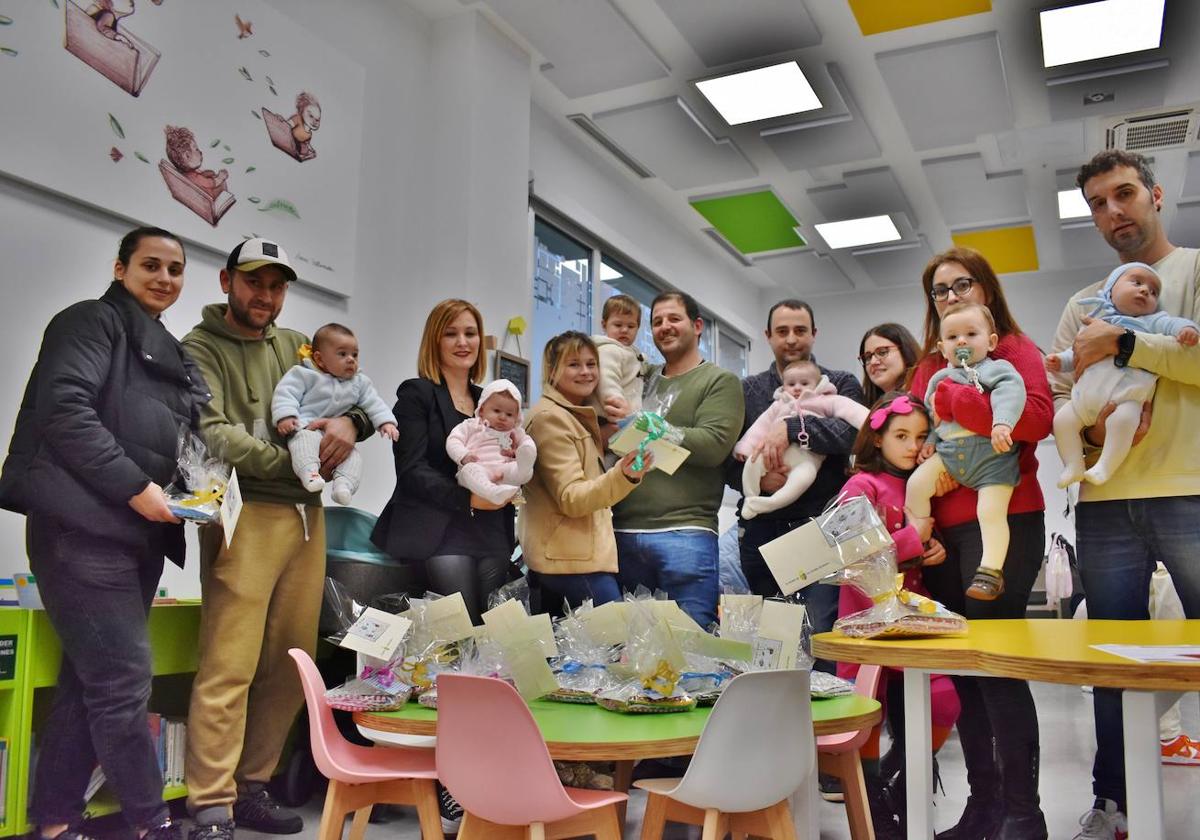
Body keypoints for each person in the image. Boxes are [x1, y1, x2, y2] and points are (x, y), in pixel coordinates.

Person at [0, 227, 206, 840]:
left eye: (175, 269)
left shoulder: (171, 352)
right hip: (80, 531)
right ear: (120, 269)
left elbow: (191, 441)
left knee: (88, 684)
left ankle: (57, 821)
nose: (164, 278)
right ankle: (150, 823)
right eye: (150, 265)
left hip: (136, 537)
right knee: (122, 682)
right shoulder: (89, 321)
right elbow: (65, 411)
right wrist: (136, 488)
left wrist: (200, 496)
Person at [183, 238, 371, 840]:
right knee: (230, 660)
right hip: (247, 517)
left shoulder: (297, 346)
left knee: (294, 658)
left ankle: (252, 787)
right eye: (254, 282)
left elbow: (352, 388)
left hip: (307, 517)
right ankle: (211, 802)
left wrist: (350, 423)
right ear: (226, 282)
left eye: (277, 285)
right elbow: (212, 433)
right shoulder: (198, 347)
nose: (265, 296)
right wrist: (292, 460)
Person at [1048, 149, 1200, 840]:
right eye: (1098, 205)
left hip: (1191, 493)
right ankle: (1115, 805)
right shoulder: (1081, 304)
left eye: (1125, 194)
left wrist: (1127, 349)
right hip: (1105, 508)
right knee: (1108, 662)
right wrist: (1091, 426)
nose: (1114, 212)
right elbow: (1060, 396)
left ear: (1157, 195)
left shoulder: (1194, 272)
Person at [910, 246, 1053, 840]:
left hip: (1005, 521)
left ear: (985, 290)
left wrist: (955, 402)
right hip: (946, 529)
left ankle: (1025, 814)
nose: (950, 296)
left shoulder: (1013, 350)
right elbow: (920, 438)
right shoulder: (929, 363)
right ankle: (984, 806)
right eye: (939, 291)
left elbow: (1035, 420)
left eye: (961, 284)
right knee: (965, 673)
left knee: (996, 667)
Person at [834, 392, 959, 840]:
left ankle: (906, 780)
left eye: (921, 437)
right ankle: (870, 796)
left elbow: (921, 542)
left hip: (913, 623)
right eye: (901, 435)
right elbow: (848, 555)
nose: (912, 446)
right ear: (878, 437)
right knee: (868, 712)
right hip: (864, 623)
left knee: (945, 700)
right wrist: (912, 538)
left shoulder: (921, 483)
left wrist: (933, 549)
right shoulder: (861, 486)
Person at [371, 299, 515, 626]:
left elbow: (508, 456)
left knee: (494, 631)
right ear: (435, 341)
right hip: (438, 529)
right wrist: (468, 498)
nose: (463, 342)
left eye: (470, 333)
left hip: (491, 528)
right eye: (451, 334)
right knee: (462, 630)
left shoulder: (490, 400)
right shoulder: (416, 394)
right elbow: (411, 470)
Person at [732, 299, 863, 643]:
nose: (791, 339)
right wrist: (759, 480)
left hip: (817, 527)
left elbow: (854, 435)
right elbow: (727, 458)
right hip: (760, 530)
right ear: (768, 336)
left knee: (820, 634)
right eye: (782, 331)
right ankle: (780, 698)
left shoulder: (838, 383)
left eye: (800, 330)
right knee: (774, 640)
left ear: (814, 334)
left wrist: (791, 428)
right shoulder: (749, 391)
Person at [612, 291, 743, 629]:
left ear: (697, 326)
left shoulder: (719, 381)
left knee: (690, 649)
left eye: (674, 319)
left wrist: (643, 424)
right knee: (629, 652)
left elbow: (712, 445)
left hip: (685, 532)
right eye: (657, 322)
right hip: (620, 530)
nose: (664, 327)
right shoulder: (639, 378)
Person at [521, 332, 652, 609]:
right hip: (572, 562)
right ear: (552, 370)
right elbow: (572, 497)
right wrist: (624, 475)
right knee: (618, 645)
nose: (586, 372)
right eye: (574, 364)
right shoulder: (551, 419)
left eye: (592, 364)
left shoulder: (575, 417)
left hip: (573, 557)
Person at [906, 303, 1026, 601]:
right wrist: (931, 440)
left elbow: (1011, 394)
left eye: (971, 334)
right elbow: (936, 417)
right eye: (952, 337)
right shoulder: (938, 379)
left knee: (990, 512)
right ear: (941, 347)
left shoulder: (996, 370)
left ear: (991, 341)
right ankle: (918, 537)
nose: (961, 341)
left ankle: (990, 572)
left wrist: (1002, 423)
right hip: (950, 455)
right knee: (916, 484)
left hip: (991, 461)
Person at [1046, 262, 1199, 487]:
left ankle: (1106, 466)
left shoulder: (1152, 321)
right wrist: (1061, 361)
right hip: (1083, 400)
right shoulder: (1093, 323)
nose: (1146, 290)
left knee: (1123, 422)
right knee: (1062, 421)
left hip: (1125, 398)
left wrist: (1187, 330)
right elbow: (1075, 352)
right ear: (1109, 290)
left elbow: (1173, 324)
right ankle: (1073, 464)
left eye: (1154, 291)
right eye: (1136, 282)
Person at [272, 322, 398, 504]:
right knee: (304, 443)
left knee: (353, 457)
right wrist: (286, 416)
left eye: (355, 354)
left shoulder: (359, 382)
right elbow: (286, 393)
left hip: (336, 437)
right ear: (320, 359)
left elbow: (374, 403)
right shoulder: (305, 374)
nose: (351, 359)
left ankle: (343, 486)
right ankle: (309, 473)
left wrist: (386, 422)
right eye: (342, 354)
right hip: (307, 426)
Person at [734, 358, 868, 520]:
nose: (797, 388)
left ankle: (771, 503)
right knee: (752, 463)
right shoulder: (778, 405)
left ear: (818, 384)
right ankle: (751, 497)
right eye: (791, 384)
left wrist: (871, 423)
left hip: (808, 458)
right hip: (773, 457)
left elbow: (850, 410)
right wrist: (745, 447)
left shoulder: (825, 400)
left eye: (804, 383)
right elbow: (760, 427)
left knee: (803, 479)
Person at [445, 378, 537, 505]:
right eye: (497, 411)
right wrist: (463, 455)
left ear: (517, 418)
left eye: (509, 414)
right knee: (469, 471)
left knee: (519, 469)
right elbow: (453, 440)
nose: (502, 417)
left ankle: (524, 469)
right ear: (482, 410)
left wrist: (525, 449)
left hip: (503, 470)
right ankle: (492, 491)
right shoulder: (472, 425)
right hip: (479, 466)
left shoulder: (514, 432)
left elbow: (527, 441)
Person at [592, 294, 646, 417]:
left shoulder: (631, 353)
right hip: (611, 415)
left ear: (638, 328)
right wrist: (621, 411)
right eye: (618, 325)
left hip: (626, 416)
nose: (624, 330)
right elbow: (607, 383)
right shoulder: (608, 351)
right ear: (604, 325)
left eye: (631, 326)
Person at [859, 322, 922, 406]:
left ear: (905, 351)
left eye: (882, 352)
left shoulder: (925, 396)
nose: (873, 362)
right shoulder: (866, 406)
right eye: (868, 357)